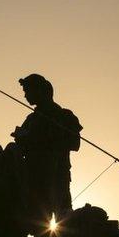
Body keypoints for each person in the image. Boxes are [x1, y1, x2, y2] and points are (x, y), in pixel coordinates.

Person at [11, 73, 82, 227]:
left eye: (27, 91)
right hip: (35, 179)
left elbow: (75, 144)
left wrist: (41, 138)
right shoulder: (31, 119)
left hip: (57, 176)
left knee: (64, 223)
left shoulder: (64, 116)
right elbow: (20, 149)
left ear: (40, 91)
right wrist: (22, 140)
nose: (25, 96)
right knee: (37, 223)